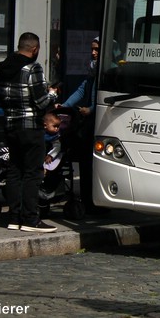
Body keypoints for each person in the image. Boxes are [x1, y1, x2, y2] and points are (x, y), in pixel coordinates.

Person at [0, 32, 58, 233]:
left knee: (14, 170)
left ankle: (13, 217)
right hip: (30, 127)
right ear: (35, 49)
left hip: (10, 126)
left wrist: (7, 107)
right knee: (32, 173)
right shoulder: (32, 68)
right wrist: (53, 95)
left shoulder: (2, 67)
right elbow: (41, 102)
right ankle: (30, 219)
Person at [60, 36, 107, 213]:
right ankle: (89, 200)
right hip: (89, 126)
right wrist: (64, 106)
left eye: (97, 50)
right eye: (92, 50)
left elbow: (105, 96)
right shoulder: (92, 71)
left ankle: (98, 203)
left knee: (96, 166)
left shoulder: (110, 71)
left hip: (101, 125)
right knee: (86, 165)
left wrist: (92, 109)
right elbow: (82, 90)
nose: (93, 53)